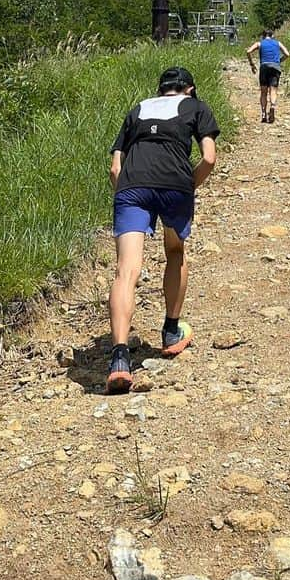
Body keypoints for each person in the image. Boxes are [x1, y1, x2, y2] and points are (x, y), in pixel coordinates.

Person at [106, 66, 219, 393]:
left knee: (126, 271)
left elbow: (116, 167)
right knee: (174, 252)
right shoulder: (196, 107)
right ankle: (171, 331)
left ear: (161, 90)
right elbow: (209, 158)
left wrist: (128, 193)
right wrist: (188, 187)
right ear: (190, 89)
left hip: (131, 185)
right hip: (175, 185)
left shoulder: (138, 108)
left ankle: (119, 357)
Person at [246, 30, 290, 123]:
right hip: (275, 67)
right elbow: (287, 54)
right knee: (273, 90)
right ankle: (273, 106)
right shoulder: (278, 43)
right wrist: (279, 61)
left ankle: (263, 114)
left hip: (264, 67)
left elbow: (248, 51)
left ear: (263, 36)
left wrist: (252, 64)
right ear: (272, 35)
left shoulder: (259, 43)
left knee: (263, 92)